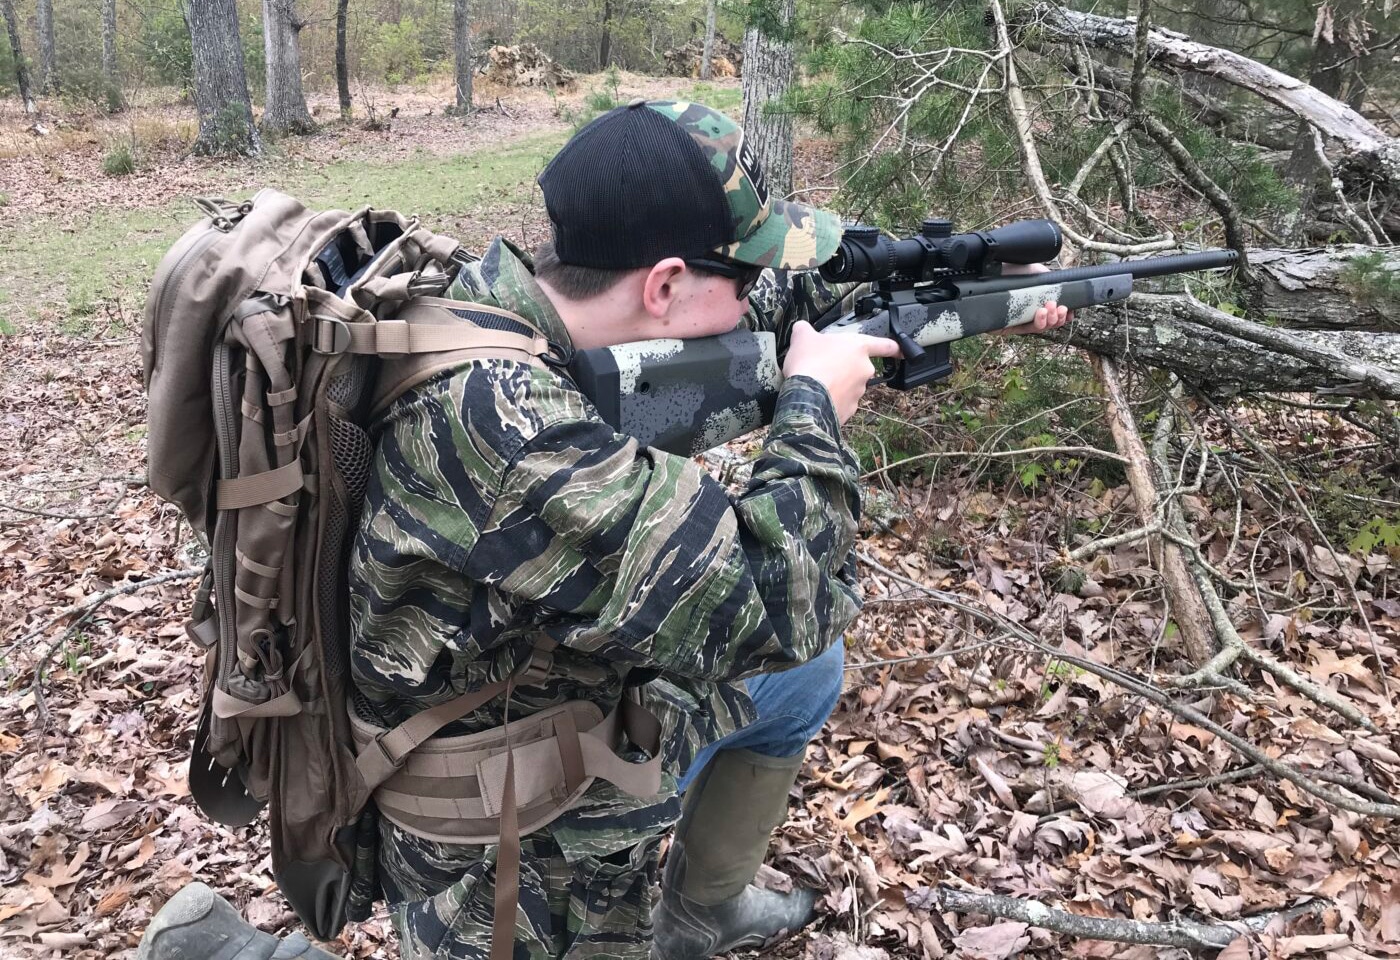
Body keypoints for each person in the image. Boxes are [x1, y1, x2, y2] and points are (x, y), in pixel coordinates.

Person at [138, 100, 1069, 960]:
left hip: (504, 694)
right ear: (662, 283)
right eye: (742, 273)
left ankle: (703, 910)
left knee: (800, 685)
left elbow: (751, 322)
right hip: (498, 817)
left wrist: (967, 294)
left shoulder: (487, 303)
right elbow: (778, 601)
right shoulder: (512, 431)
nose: (754, 297)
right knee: (798, 651)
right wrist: (814, 409)